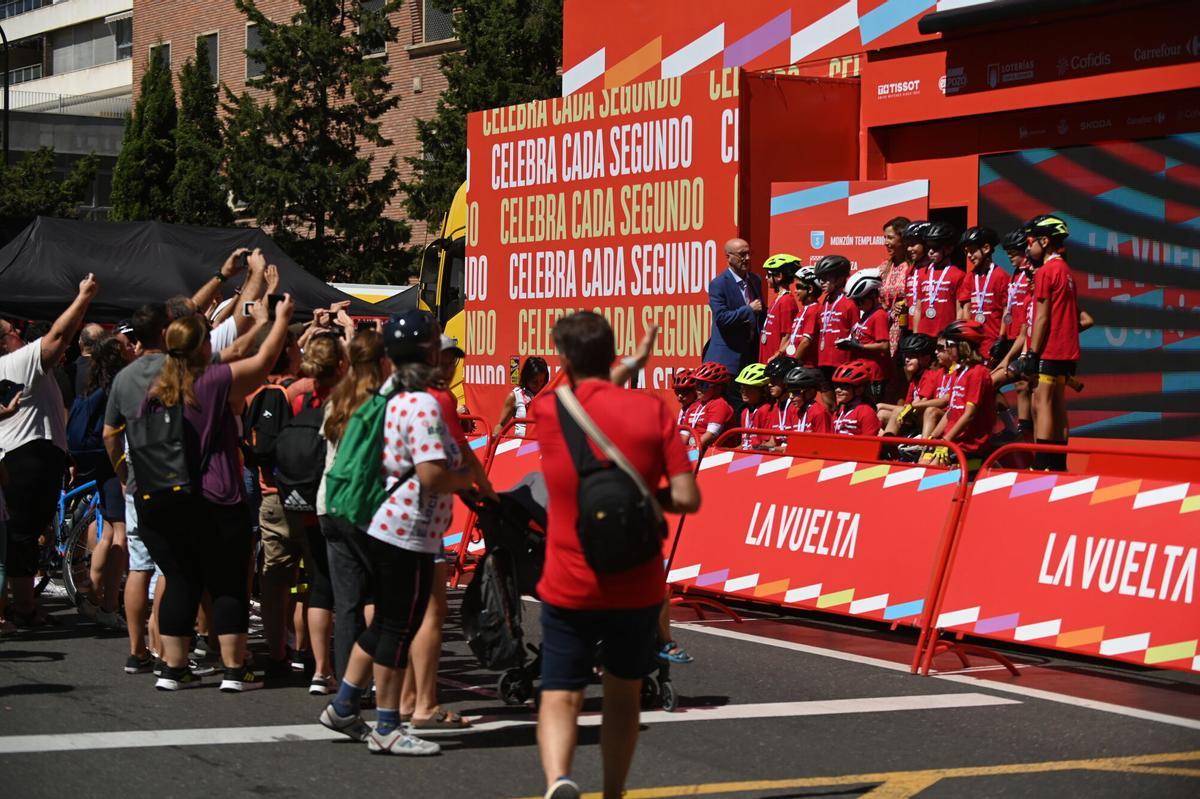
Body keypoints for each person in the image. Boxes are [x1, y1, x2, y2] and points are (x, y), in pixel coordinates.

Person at [532, 311, 700, 799]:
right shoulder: (653, 411)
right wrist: (647, 497)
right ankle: (612, 793)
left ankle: (559, 778)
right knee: (624, 692)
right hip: (637, 580)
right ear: (611, 354)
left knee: (560, 691)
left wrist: (625, 364)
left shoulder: (549, 410)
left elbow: (581, 395)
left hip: (569, 578)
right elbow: (688, 498)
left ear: (564, 359)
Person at [318, 310, 476, 756]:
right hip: (408, 529)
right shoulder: (423, 402)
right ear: (429, 351)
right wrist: (464, 479)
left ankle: (345, 704)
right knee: (397, 629)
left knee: (388, 620)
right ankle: (386, 725)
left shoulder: (389, 392)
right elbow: (430, 475)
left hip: (381, 521)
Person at [138, 295, 295, 692]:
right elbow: (263, 362)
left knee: (181, 579)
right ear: (204, 347)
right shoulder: (212, 382)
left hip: (162, 501)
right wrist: (279, 320)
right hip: (216, 498)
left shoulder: (154, 390)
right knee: (226, 582)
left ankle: (174, 669)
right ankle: (232, 669)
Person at [400, 334, 495, 730]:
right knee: (428, 614)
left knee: (406, 614)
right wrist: (469, 483)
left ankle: (404, 700)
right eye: (444, 359)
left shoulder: (409, 395)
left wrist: (482, 486)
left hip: (402, 519)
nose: (451, 366)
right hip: (417, 519)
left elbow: (460, 446)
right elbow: (441, 469)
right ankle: (421, 702)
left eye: (455, 359)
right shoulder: (433, 400)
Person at [0, 274, 97, 627]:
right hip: (27, 457)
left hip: (22, 455)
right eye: (13, 332)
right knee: (23, 535)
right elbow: (59, 336)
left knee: (20, 534)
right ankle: (25, 609)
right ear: (5, 341)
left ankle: (17, 605)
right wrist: (83, 297)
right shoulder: (16, 362)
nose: (20, 336)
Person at [103, 302, 177, 674]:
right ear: (164, 332)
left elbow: (109, 435)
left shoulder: (124, 377)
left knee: (139, 565)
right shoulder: (177, 370)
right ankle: (161, 645)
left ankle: (137, 650)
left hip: (136, 477)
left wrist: (121, 472)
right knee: (167, 565)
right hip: (172, 476)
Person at [317, 330, 389, 681]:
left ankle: (349, 681)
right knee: (383, 597)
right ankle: (378, 677)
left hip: (329, 503)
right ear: (381, 362)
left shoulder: (339, 398)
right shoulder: (377, 402)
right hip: (364, 507)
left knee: (346, 604)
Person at [283, 334, 346, 694]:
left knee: (315, 583)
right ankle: (341, 668)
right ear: (340, 364)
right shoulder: (347, 398)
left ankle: (317, 668)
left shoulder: (295, 393)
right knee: (347, 588)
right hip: (336, 499)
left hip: (299, 498)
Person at [1013, 214, 1091, 471]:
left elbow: (1042, 316)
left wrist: (1033, 352)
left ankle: (1044, 461)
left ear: (1044, 241)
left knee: (1042, 402)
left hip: (1050, 348)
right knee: (1057, 404)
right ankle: (1058, 462)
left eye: (1031, 241)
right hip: (1066, 351)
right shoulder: (1065, 271)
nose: (1028, 247)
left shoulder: (1047, 271)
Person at [73, 335, 130, 628]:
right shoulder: (120, 386)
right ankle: (109, 606)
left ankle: (94, 599)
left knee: (107, 530)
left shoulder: (93, 383)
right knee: (120, 532)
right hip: (117, 462)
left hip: (98, 462)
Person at [931, 320, 997, 471]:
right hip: (952, 439)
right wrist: (933, 437)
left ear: (963, 346)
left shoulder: (978, 373)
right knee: (922, 463)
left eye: (950, 345)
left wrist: (946, 440)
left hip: (969, 444)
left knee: (930, 473)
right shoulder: (959, 372)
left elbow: (968, 415)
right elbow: (951, 410)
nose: (946, 349)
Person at [991, 229, 1036, 439]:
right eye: (1008, 251)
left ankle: (1023, 432)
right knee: (994, 383)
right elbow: (1007, 309)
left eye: (1014, 251)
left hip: (1025, 339)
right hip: (1010, 338)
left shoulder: (1031, 275)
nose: (1010, 255)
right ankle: (1012, 428)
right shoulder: (1015, 275)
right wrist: (1001, 337)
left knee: (1023, 385)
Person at [705, 238, 764, 390]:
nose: (748, 259)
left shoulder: (755, 280)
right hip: (727, 360)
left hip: (750, 357)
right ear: (728, 257)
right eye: (742, 255)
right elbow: (721, 317)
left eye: (749, 253)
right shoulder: (719, 284)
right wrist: (748, 310)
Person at [837, 268, 889, 403]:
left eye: (860, 301)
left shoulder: (879, 315)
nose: (857, 305)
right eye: (855, 302)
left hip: (873, 374)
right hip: (861, 373)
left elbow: (884, 346)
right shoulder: (866, 314)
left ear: (872, 296)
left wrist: (859, 346)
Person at [960, 226, 1010, 358]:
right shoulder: (969, 277)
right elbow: (966, 309)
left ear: (986, 248)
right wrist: (964, 338)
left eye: (972, 251)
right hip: (974, 347)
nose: (969, 256)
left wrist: (1002, 337)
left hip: (993, 345)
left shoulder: (1001, 276)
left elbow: (1007, 310)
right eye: (966, 252)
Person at [813, 255, 856, 409]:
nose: (821, 282)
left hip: (842, 362)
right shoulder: (824, 302)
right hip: (823, 362)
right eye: (820, 278)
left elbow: (856, 333)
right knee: (829, 406)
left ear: (840, 278)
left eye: (826, 278)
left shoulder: (850, 302)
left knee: (845, 405)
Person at [911, 222, 967, 338]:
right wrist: (916, 335)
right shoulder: (922, 273)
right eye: (928, 247)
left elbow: (959, 310)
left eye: (935, 247)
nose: (930, 251)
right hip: (923, 336)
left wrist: (956, 337)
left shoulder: (958, 275)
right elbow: (918, 308)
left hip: (945, 336)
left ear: (949, 248)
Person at [879, 333, 939, 434]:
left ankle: (887, 446)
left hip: (922, 418)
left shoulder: (930, 375)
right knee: (881, 414)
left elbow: (920, 403)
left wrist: (881, 405)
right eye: (906, 356)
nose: (907, 359)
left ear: (926, 358)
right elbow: (907, 405)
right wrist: (881, 406)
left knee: (894, 411)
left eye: (911, 356)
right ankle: (881, 445)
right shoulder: (914, 378)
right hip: (913, 416)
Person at [879, 216, 913, 358]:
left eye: (891, 238)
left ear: (903, 239)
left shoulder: (913, 267)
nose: (886, 243)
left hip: (906, 330)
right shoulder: (882, 268)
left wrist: (907, 303)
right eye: (885, 238)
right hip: (885, 330)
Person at [758, 254, 800, 364]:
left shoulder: (787, 301)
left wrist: (778, 357)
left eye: (769, 274)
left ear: (779, 276)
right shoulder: (779, 298)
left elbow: (787, 334)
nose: (766, 278)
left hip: (774, 360)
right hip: (767, 356)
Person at [495, 356, 549, 437]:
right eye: (535, 381)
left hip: (542, 444)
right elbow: (501, 425)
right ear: (526, 378)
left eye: (542, 380)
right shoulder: (515, 396)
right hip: (522, 446)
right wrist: (494, 443)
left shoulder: (549, 395)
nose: (539, 385)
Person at [779, 266, 820, 364]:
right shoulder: (803, 309)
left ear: (810, 289)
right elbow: (793, 337)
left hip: (805, 366)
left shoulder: (815, 310)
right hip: (794, 361)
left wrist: (793, 362)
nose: (795, 291)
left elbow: (806, 341)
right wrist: (778, 354)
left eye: (798, 287)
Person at [686, 362, 734, 448]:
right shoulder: (694, 405)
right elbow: (684, 435)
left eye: (703, 385)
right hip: (695, 451)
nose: (698, 388)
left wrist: (690, 454)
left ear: (718, 388)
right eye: (696, 383)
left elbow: (711, 435)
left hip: (712, 455)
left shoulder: (719, 404)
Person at [831, 360, 881, 436]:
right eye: (836, 386)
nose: (837, 390)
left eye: (844, 387)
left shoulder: (866, 412)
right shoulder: (838, 411)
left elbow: (869, 444)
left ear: (859, 390)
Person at [782, 366, 832, 435]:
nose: (791, 397)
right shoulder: (792, 409)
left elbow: (823, 443)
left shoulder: (819, 413)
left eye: (796, 392)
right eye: (789, 392)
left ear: (810, 392)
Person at [733, 363, 772, 450]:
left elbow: (766, 445)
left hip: (758, 458)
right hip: (745, 456)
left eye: (749, 387)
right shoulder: (745, 412)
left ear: (763, 390)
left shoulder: (766, 410)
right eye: (742, 387)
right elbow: (743, 444)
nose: (743, 391)